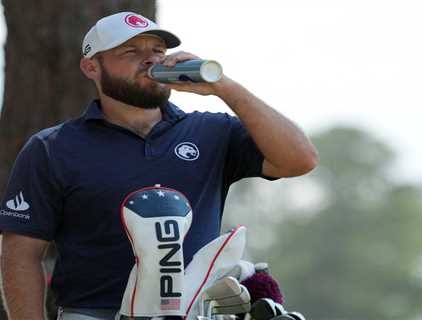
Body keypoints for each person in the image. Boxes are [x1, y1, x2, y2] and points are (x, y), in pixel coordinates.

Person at [0, 11, 318, 320]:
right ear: (91, 66)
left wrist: (223, 86)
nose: (151, 59)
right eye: (131, 51)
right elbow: (21, 254)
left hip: (194, 312)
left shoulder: (212, 131)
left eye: (158, 50)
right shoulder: (52, 147)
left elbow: (299, 159)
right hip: (91, 314)